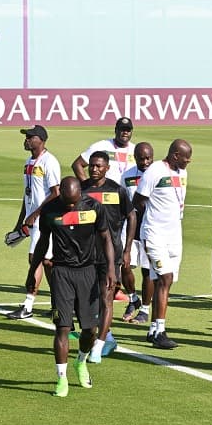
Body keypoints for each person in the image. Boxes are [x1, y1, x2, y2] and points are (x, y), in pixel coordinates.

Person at [27, 177, 115, 397]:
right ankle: (62, 379)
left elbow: (106, 238)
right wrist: (32, 272)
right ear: (61, 196)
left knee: (90, 330)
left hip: (88, 272)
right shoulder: (50, 211)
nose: (71, 206)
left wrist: (111, 269)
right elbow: (43, 242)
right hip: (61, 273)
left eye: (74, 202)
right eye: (67, 202)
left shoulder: (94, 207)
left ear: (80, 195)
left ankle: (81, 361)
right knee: (63, 328)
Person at [132, 139, 192, 349]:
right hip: (154, 234)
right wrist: (154, 217)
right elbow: (138, 200)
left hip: (174, 235)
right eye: (186, 158)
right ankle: (160, 331)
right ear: (175, 155)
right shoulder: (155, 170)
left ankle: (153, 330)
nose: (188, 162)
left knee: (165, 281)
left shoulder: (182, 173)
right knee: (164, 278)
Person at [81, 151, 136, 363]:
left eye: (98, 166)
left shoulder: (117, 190)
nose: (94, 169)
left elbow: (131, 215)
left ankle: (99, 346)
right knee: (87, 301)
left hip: (110, 255)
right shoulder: (81, 189)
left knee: (106, 298)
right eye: (91, 165)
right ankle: (108, 337)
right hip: (85, 255)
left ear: (107, 168)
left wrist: (128, 249)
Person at [8, 125, 60, 320]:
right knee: (47, 262)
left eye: (30, 137)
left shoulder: (49, 161)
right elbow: (27, 194)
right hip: (34, 220)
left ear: (41, 140)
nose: (27, 140)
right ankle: (59, 304)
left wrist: (36, 214)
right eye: (26, 137)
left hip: (45, 220)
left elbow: (56, 193)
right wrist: (20, 222)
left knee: (35, 259)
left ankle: (28, 306)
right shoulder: (28, 162)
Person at [120, 142, 155, 324]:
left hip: (150, 227)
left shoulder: (158, 174)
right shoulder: (127, 176)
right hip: (131, 227)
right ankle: (133, 299)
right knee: (124, 265)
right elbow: (122, 201)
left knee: (148, 270)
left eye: (149, 158)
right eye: (142, 158)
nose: (146, 162)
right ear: (135, 158)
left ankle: (145, 310)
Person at [72, 117, 136, 183]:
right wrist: (87, 185)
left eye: (128, 130)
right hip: (108, 189)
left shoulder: (135, 149)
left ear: (131, 132)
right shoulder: (101, 146)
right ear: (116, 130)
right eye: (122, 129)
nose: (125, 132)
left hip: (129, 189)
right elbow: (77, 164)